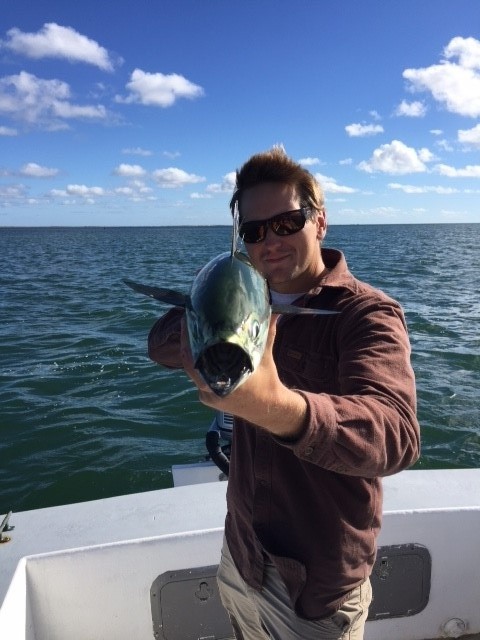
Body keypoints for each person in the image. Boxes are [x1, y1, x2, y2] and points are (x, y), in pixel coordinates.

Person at [148, 146, 420, 640]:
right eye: (254, 231)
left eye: (287, 222)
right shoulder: (242, 294)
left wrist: (277, 409)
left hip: (314, 592)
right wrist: (204, 308)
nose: (270, 241)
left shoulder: (367, 314)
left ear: (320, 222)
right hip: (241, 556)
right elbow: (158, 346)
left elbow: (395, 435)